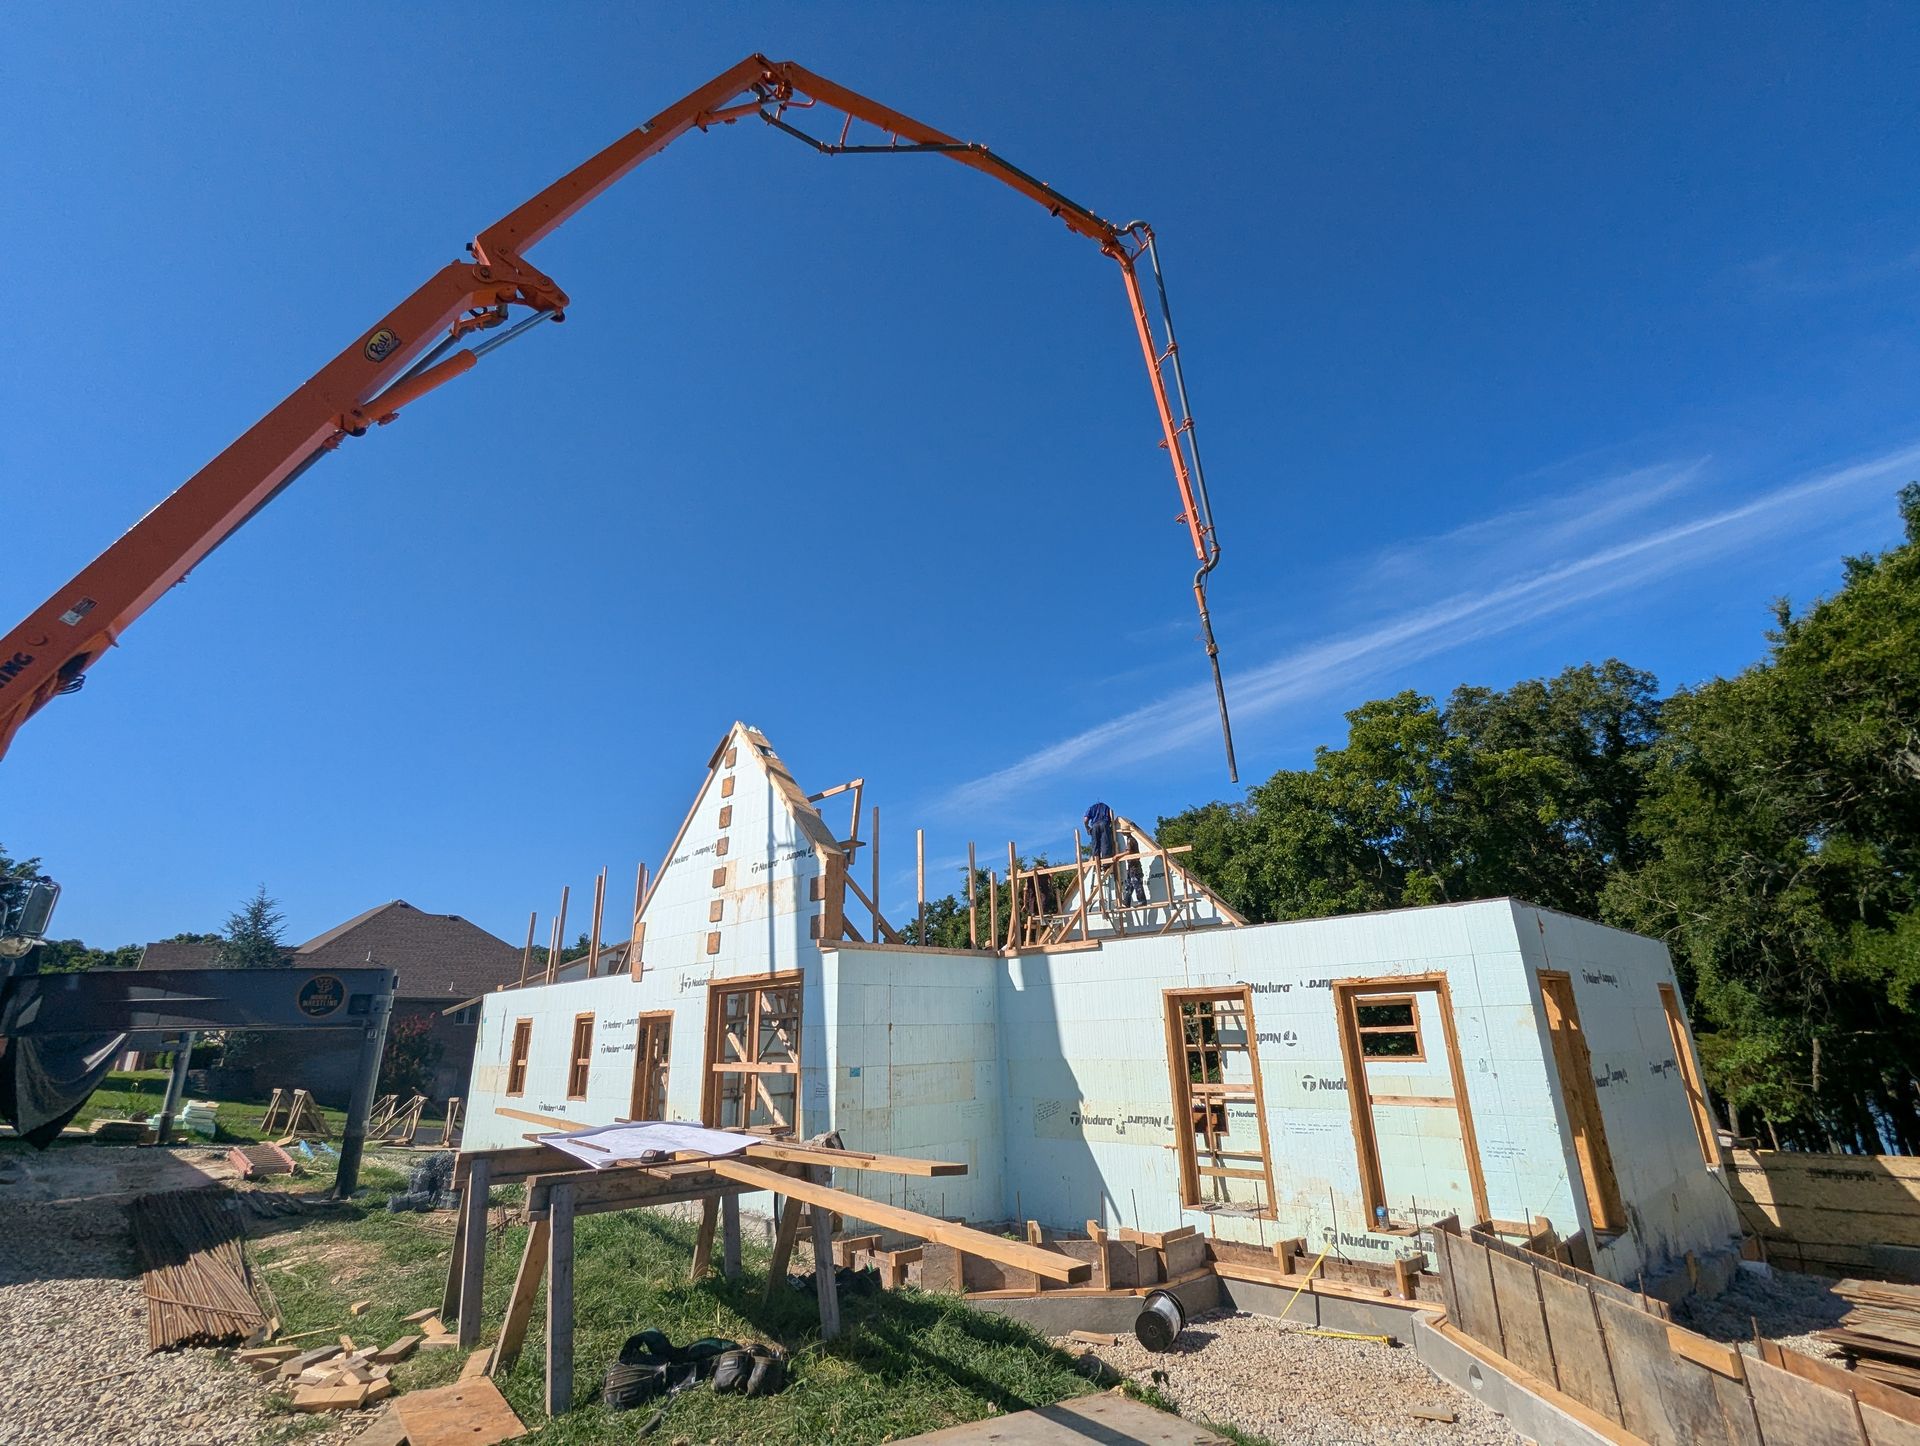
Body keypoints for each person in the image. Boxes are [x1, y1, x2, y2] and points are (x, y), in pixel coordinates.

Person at [1117, 828, 1148, 907]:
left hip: (1134, 866)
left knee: (1136, 883)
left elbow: (1129, 851)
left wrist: (1118, 856)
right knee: (1129, 885)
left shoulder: (1130, 840)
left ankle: (1142, 901)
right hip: (1132, 865)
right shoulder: (1130, 839)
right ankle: (1127, 902)